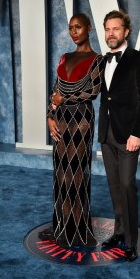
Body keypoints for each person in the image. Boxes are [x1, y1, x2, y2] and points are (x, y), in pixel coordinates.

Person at [39, 13, 104, 247]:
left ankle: (79, 228)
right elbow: (55, 92)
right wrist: (49, 115)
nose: (74, 31)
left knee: (77, 173)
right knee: (60, 173)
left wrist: (63, 99)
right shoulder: (64, 57)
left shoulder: (98, 59)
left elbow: (93, 92)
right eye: (70, 28)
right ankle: (61, 226)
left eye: (78, 27)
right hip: (62, 120)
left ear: (89, 28)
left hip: (82, 120)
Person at [98, 10, 140, 261]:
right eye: (108, 29)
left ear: (126, 31)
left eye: (116, 29)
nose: (111, 33)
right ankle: (119, 231)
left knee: (128, 186)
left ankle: (130, 242)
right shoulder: (101, 61)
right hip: (107, 134)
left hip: (128, 135)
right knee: (115, 186)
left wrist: (137, 134)